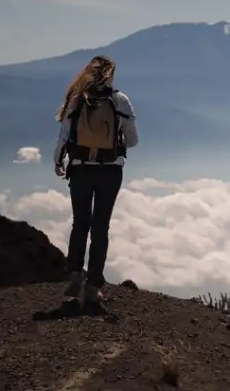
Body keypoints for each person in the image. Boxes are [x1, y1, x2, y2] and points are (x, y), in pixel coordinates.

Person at [53, 55, 138, 305]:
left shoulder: (76, 100)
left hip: (80, 170)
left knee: (80, 223)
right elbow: (132, 140)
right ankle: (93, 286)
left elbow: (63, 136)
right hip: (110, 171)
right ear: (110, 75)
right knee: (101, 227)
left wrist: (58, 161)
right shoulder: (120, 100)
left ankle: (75, 276)